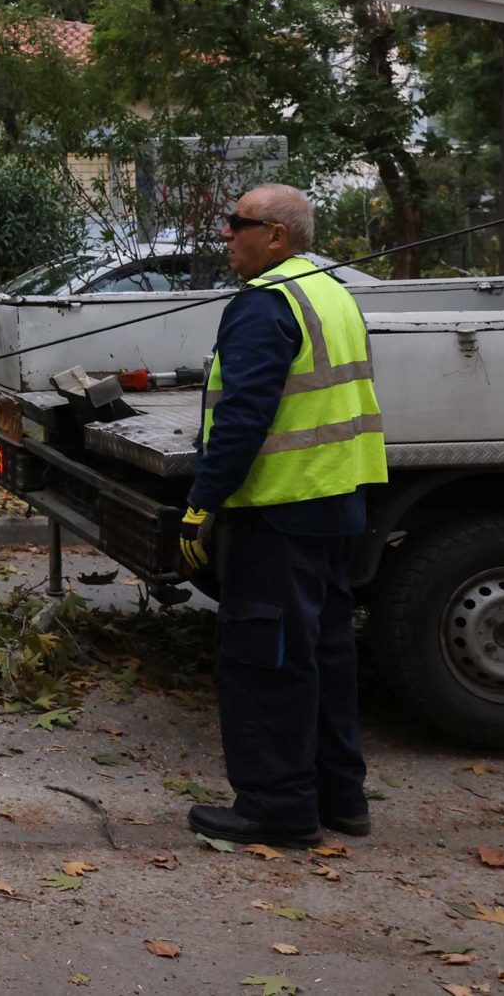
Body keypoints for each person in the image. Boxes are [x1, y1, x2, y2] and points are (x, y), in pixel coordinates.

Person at [177, 182, 387, 849]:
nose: (225, 235)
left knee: (266, 659)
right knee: (326, 655)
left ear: (277, 235)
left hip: (278, 511)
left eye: (237, 223)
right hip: (337, 506)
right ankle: (338, 796)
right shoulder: (331, 292)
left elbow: (242, 419)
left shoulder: (266, 303)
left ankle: (276, 806)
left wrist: (202, 501)